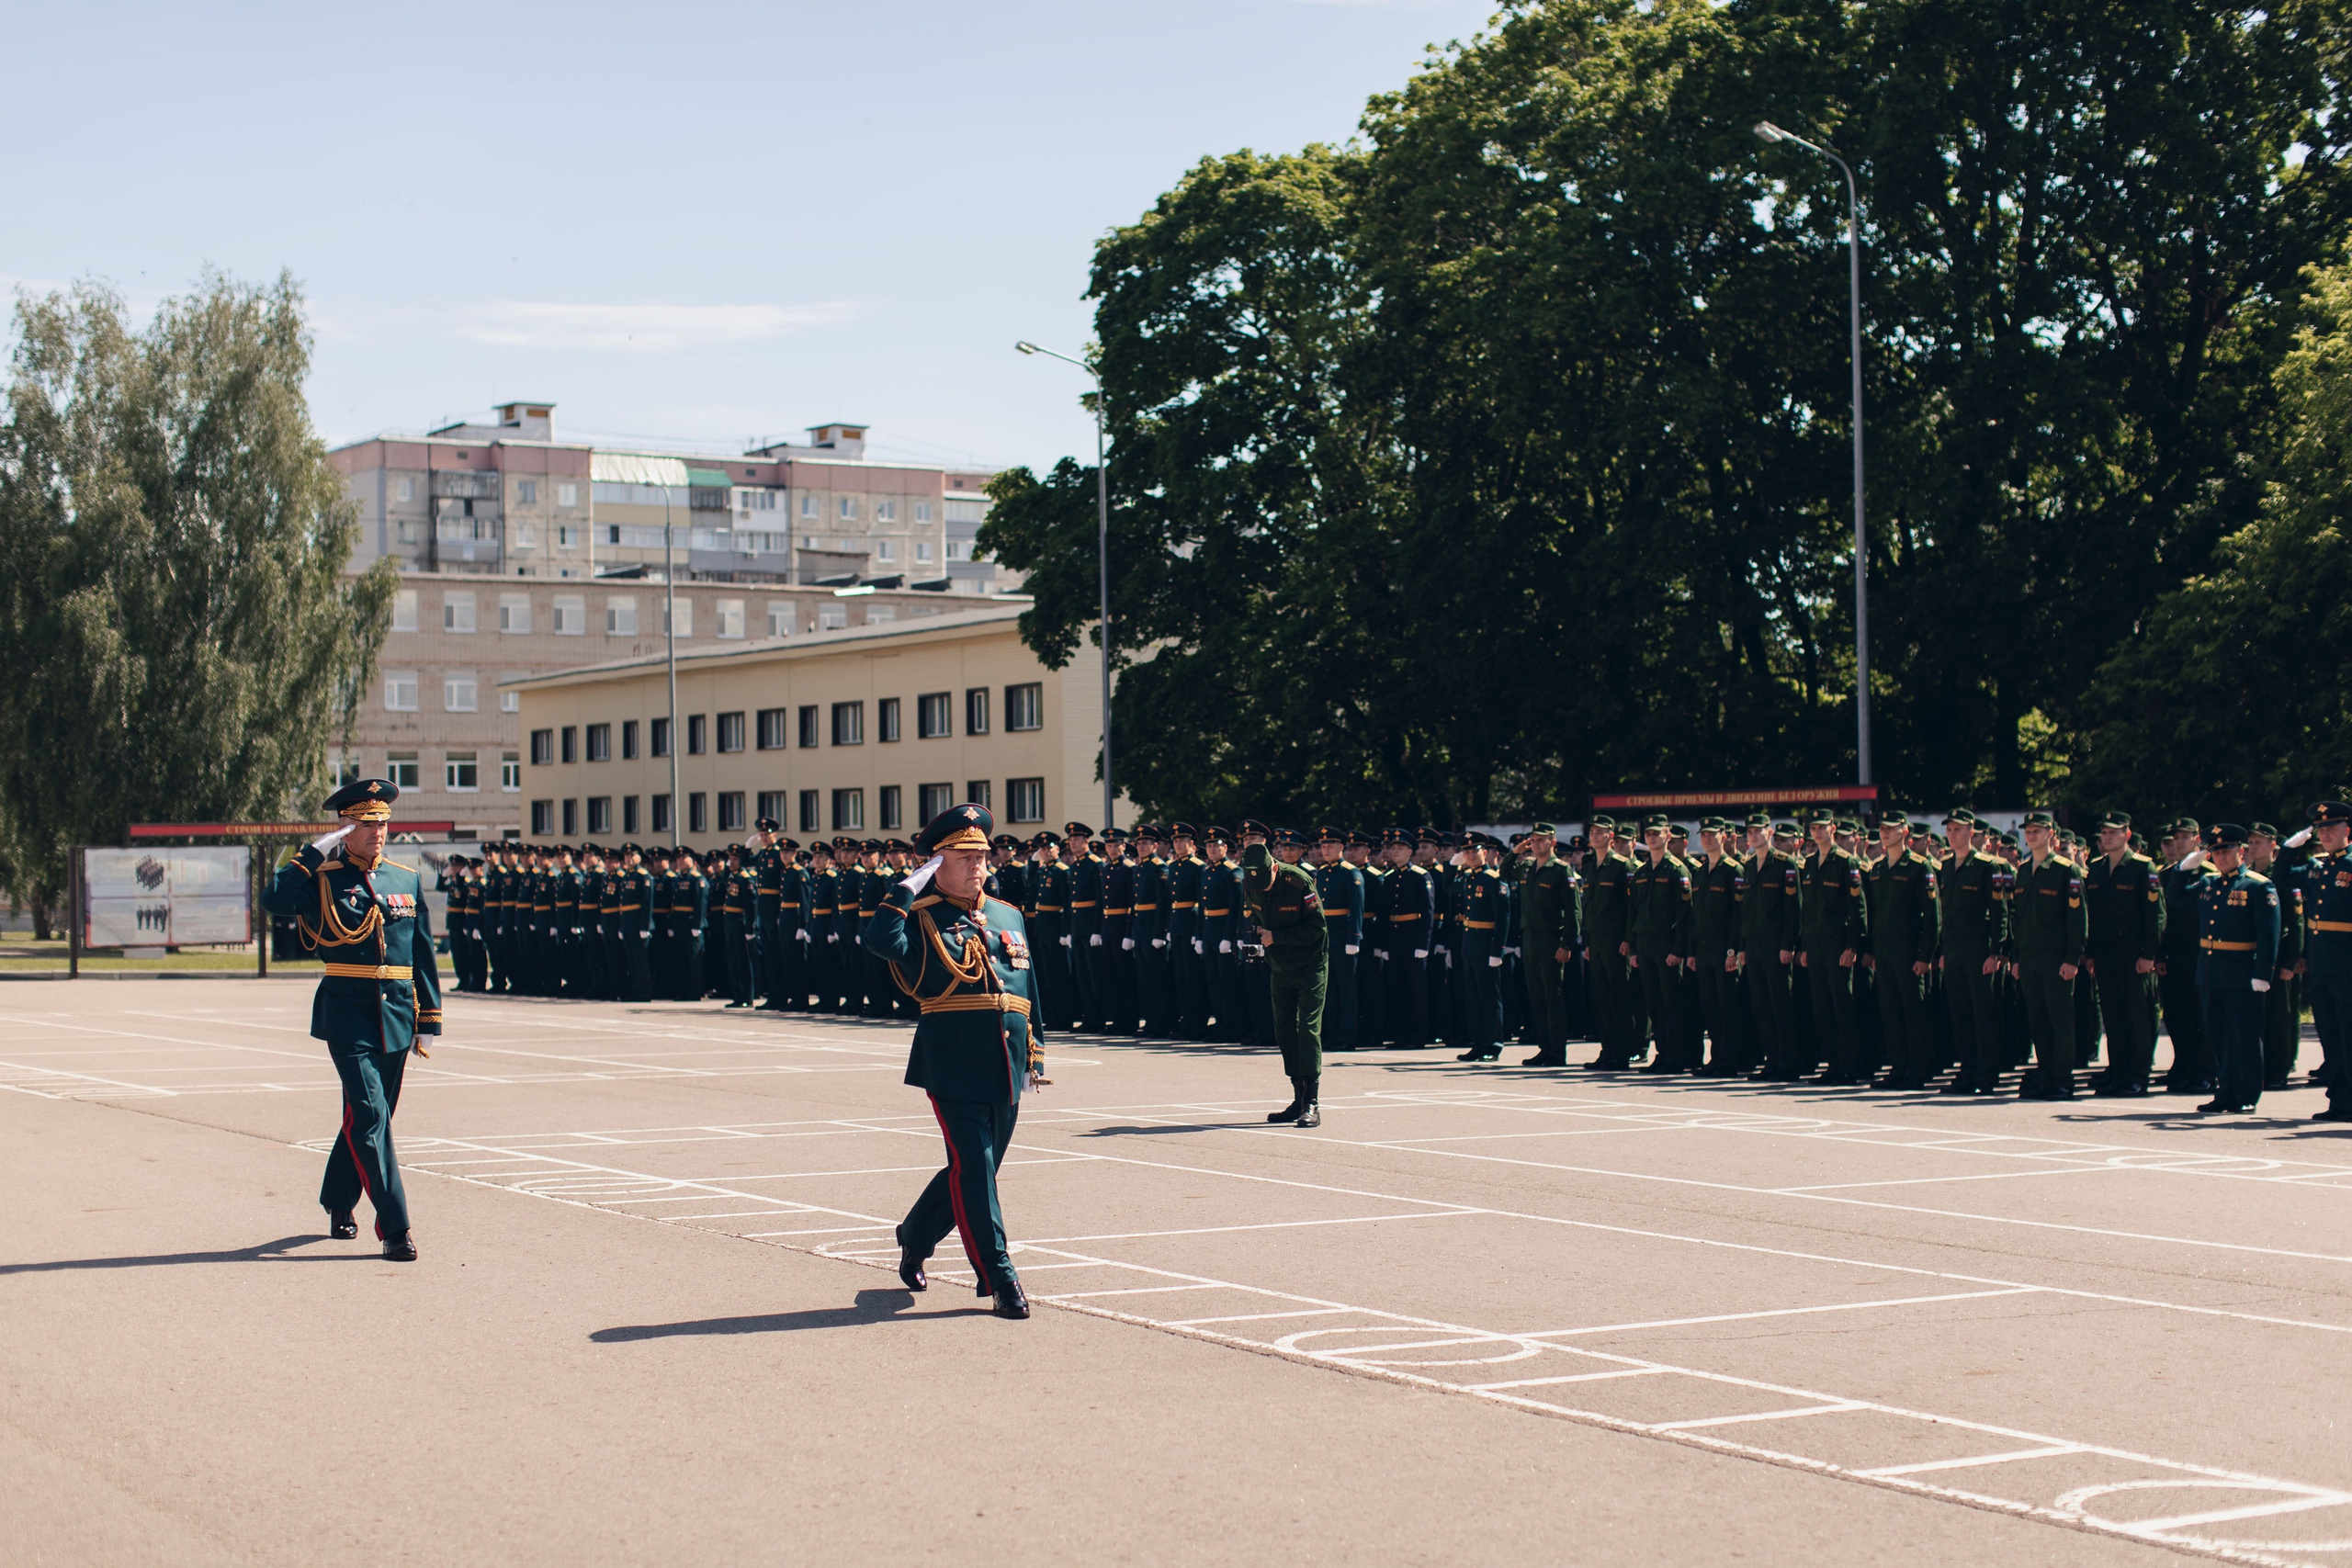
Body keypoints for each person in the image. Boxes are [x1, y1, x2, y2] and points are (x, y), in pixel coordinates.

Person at [865, 803, 1046, 1321]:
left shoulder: (1008, 914)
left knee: (976, 1168)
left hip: (1007, 1060)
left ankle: (915, 1234)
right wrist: (904, 891)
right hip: (952, 1059)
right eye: (963, 856)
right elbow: (881, 944)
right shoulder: (921, 915)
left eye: (982, 856)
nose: (977, 865)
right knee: (975, 1165)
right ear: (935, 862)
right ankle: (999, 1277)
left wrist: (1036, 1048)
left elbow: (1028, 989)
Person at [258, 778, 441, 1261]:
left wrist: (430, 1017)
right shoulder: (322, 875)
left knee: (368, 1119)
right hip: (347, 1008)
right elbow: (273, 902)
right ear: (345, 828)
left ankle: (339, 1200)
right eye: (366, 823)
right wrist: (310, 855)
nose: (377, 831)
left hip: (399, 1012)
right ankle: (396, 1227)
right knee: (370, 1114)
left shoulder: (405, 878)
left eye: (382, 822)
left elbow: (421, 953)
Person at [2192, 824, 2281, 1114]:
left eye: (2226, 850)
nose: (2221, 856)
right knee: (2219, 1037)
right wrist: (2184, 868)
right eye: (2215, 851)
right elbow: (2177, 898)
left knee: (2244, 1038)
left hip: (2243, 974)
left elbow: (2269, 933)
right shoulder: (2209, 884)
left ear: (2241, 852)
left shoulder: (2257, 885)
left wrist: (2263, 973)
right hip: (2211, 972)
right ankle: (2226, 1091)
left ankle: (2246, 1094)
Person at [1243, 839, 1329, 1126]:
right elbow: (1254, 916)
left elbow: (1317, 928)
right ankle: (1298, 1095)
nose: (1262, 888)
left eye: (1266, 882)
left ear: (1274, 868)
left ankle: (1313, 1102)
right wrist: (1255, 936)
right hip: (1279, 966)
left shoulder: (1298, 882)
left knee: (1306, 1029)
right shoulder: (1251, 884)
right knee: (1284, 1030)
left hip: (1309, 965)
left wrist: (1277, 937)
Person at [2011, 811, 2088, 1100]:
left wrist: (2072, 957)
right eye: (2028, 832)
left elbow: (2077, 918)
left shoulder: (2065, 870)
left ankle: (2062, 1078)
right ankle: (2046, 1074)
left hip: (2056, 958)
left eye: (2037, 831)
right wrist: (2016, 957)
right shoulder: (2023, 869)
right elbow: (2018, 919)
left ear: (2051, 836)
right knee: (2038, 1020)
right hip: (2029, 957)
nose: (2032, 836)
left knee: (2060, 1020)